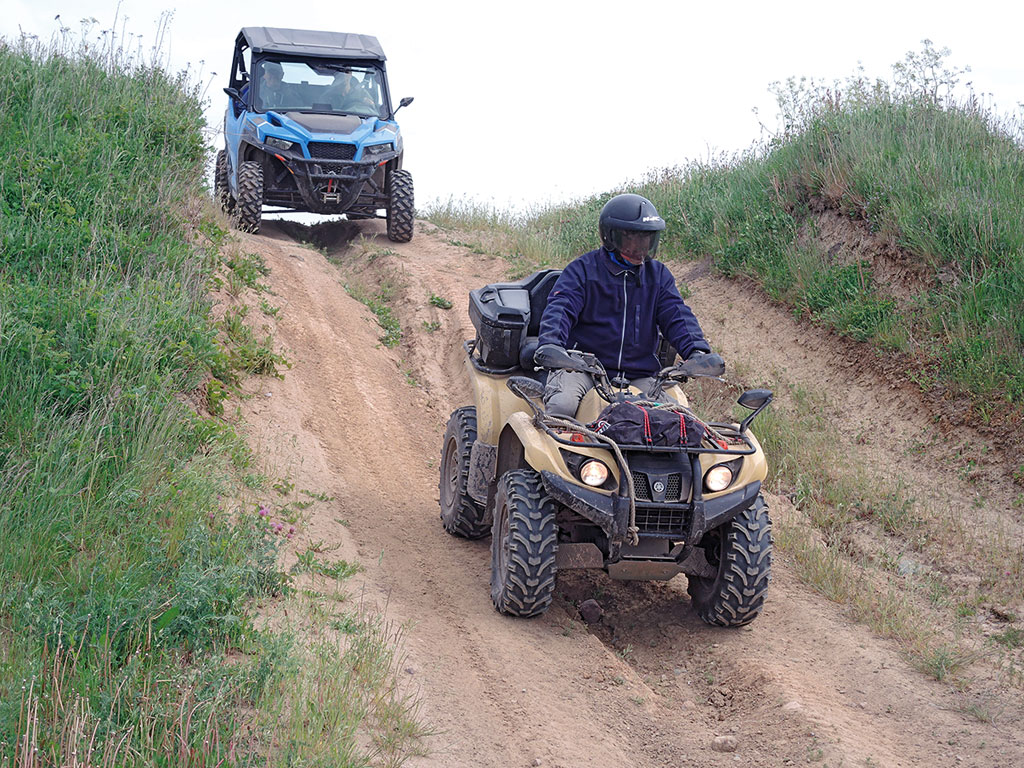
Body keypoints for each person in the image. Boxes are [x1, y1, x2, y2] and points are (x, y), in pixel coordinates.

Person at [535, 193, 711, 418]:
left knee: (682, 420)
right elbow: (560, 309)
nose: (641, 248)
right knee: (562, 406)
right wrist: (552, 345)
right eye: (633, 239)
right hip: (582, 368)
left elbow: (677, 315)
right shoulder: (583, 270)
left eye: (647, 240)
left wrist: (697, 351)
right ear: (611, 237)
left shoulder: (658, 276)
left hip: (639, 373)